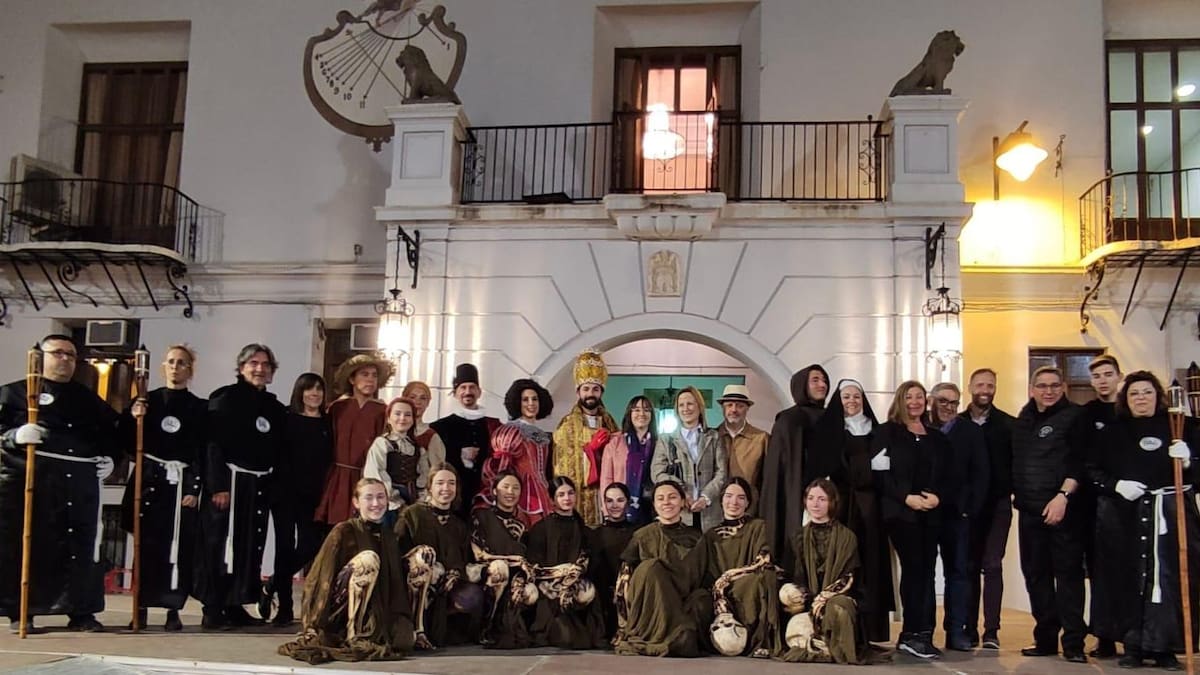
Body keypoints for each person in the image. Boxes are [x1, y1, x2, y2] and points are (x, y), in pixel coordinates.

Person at [0, 334, 120, 633]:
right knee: (30, 543)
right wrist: (14, 436)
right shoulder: (13, 393)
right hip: (34, 482)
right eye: (58, 353)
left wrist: (111, 459)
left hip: (79, 484)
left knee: (81, 546)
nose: (65, 359)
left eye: (70, 355)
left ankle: (81, 611)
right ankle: (22, 609)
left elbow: (112, 433)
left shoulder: (87, 398)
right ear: (40, 357)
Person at [1088, 371, 1200, 670]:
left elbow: (1197, 475)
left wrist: (1189, 460)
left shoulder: (1182, 428)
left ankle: (1165, 647)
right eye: (1134, 393)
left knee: (1167, 579)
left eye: (1147, 392)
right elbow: (1093, 470)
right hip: (1125, 515)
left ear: (1158, 395)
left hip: (1170, 512)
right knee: (1127, 578)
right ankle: (1133, 645)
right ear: (1126, 399)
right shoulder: (1112, 432)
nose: (1141, 398)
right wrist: (1116, 486)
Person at [195, 343, 287, 630]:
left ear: (272, 372)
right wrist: (218, 486)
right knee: (220, 544)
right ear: (242, 367)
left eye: (265, 365)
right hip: (230, 483)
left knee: (250, 545)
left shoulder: (274, 407)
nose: (260, 369)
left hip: (258, 484)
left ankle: (235, 604)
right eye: (253, 363)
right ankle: (213, 608)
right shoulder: (225, 399)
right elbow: (212, 445)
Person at [278, 477, 415, 664]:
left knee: (404, 639)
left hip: (376, 608)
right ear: (356, 502)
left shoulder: (389, 536)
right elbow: (320, 577)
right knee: (368, 559)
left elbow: (395, 583)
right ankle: (354, 634)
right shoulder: (343, 531)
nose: (376, 503)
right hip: (339, 611)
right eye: (369, 498)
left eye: (380, 497)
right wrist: (314, 623)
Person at [121, 344, 207, 631]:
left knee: (178, 548)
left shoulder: (198, 407)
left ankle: (172, 609)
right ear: (162, 366)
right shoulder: (147, 401)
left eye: (182, 362)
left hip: (180, 482)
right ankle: (140, 607)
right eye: (171, 361)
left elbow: (201, 450)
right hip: (149, 481)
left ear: (190, 370)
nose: (175, 367)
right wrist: (133, 416)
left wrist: (194, 488)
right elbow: (126, 440)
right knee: (145, 547)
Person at [1012, 366, 1089, 663]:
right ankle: (1045, 639)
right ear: (1032, 389)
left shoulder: (1075, 417)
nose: (1048, 390)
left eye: (1054, 385)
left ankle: (1073, 644)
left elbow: (1079, 462)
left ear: (1064, 387)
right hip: (1030, 512)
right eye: (1042, 385)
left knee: (1068, 578)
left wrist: (1063, 496)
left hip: (1063, 510)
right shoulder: (1023, 420)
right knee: (1036, 576)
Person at [806, 378, 892, 643]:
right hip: (842, 509)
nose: (852, 401)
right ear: (838, 401)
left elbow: (887, 471)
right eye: (846, 397)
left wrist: (864, 470)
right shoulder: (831, 431)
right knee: (844, 564)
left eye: (857, 396)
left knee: (871, 566)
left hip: (872, 511)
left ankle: (871, 630)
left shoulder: (876, 430)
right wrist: (868, 466)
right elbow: (834, 468)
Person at [874, 380, 949, 659]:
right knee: (914, 570)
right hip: (901, 514)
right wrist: (906, 497)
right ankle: (910, 633)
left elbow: (948, 474)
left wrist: (938, 497)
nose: (915, 402)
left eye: (919, 397)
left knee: (927, 573)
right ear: (900, 401)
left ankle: (924, 633)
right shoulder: (886, 433)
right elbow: (881, 475)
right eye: (909, 397)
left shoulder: (937, 436)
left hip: (931, 514)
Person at [260, 372, 332, 627]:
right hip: (284, 492)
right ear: (299, 392)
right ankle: (285, 608)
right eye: (309, 389)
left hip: (313, 495)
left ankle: (271, 583)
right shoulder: (286, 418)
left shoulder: (327, 423)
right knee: (284, 547)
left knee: (312, 544)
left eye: (319, 389)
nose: (314, 394)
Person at [613, 480, 711, 657]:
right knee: (652, 567)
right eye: (660, 498)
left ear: (682, 502)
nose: (666, 502)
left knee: (687, 639)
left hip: (682, 603)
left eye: (672, 497)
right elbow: (626, 578)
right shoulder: (642, 535)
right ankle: (657, 634)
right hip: (649, 608)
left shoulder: (696, 537)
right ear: (654, 505)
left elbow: (702, 575)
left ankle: (675, 634)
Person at [395, 463, 485, 648]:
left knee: (473, 595)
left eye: (451, 483)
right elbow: (399, 554)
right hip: (417, 586)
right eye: (440, 483)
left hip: (448, 588)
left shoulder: (458, 524)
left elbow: (464, 559)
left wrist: (455, 574)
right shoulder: (412, 515)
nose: (446, 488)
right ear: (430, 487)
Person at [928, 381, 989, 651]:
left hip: (958, 514)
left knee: (959, 573)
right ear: (932, 401)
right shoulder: (921, 428)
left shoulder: (970, 432)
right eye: (943, 401)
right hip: (927, 514)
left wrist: (970, 509)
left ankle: (956, 632)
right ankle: (922, 631)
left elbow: (981, 473)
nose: (948, 407)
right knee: (923, 574)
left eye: (953, 402)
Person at [779, 479, 865, 664]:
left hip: (837, 596)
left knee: (839, 606)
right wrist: (800, 595)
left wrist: (823, 598)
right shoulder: (797, 536)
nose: (815, 504)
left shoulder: (847, 537)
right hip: (807, 600)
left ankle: (834, 646)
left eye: (821, 499)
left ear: (832, 502)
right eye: (810, 498)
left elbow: (849, 577)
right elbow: (791, 574)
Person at [962, 367, 1015, 649]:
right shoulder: (957, 424)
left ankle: (991, 631)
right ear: (970, 387)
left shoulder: (1008, 424)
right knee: (969, 567)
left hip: (998, 505)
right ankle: (969, 628)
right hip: (968, 508)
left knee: (992, 565)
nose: (985, 389)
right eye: (980, 384)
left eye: (990, 385)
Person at [704, 477, 781, 658]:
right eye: (729, 496)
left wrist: (730, 576)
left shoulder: (758, 526)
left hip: (747, 583)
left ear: (747, 503)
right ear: (721, 500)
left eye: (740, 497)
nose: (734, 502)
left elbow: (764, 559)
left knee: (760, 579)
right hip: (720, 591)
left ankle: (760, 642)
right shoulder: (711, 535)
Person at [525, 476, 606, 649]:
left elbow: (592, 562)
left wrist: (576, 574)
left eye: (570, 493)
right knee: (568, 638)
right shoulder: (540, 528)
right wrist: (557, 573)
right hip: (548, 588)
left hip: (574, 587)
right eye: (561, 494)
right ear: (553, 499)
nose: (567, 498)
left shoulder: (584, 530)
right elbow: (533, 564)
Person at [761, 364, 830, 559]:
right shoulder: (789, 419)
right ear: (802, 385)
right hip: (795, 495)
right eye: (815, 380)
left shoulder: (831, 417)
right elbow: (779, 470)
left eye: (824, 380)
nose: (822, 385)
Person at [315, 355, 392, 527]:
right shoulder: (337, 407)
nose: (370, 379)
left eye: (374, 375)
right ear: (352, 379)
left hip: (366, 475)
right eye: (364, 374)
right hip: (337, 477)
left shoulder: (383, 410)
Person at [1082, 354, 1122, 659]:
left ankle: (1138, 637)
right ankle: (1104, 636)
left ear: (1119, 376)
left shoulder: (1130, 410)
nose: (1103, 380)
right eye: (1097, 376)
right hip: (1095, 505)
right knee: (1100, 574)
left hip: (1132, 505)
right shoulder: (1087, 414)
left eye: (1108, 374)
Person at [471, 469, 537, 649]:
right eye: (505, 487)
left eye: (515, 488)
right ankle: (487, 626)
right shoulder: (481, 516)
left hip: (514, 576)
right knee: (500, 568)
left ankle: (508, 628)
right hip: (489, 573)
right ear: (494, 491)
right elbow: (479, 555)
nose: (510, 492)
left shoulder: (522, 525)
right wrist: (511, 559)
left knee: (531, 592)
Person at [475, 378, 554, 526]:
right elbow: (502, 467)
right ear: (517, 403)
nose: (531, 403)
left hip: (542, 491)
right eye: (525, 400)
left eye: (534, 399)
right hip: (521, 492)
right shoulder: (511, 431)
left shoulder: (542, 434)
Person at [553, 350, 619, 526]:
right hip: (579, 493)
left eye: (596, 389)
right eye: (586, 388)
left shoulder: (610, 423)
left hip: (603, 493)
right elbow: (561, 465)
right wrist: (589, 451)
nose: (591, 393)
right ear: (578, 392)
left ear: (601, 392)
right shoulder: (567, 425)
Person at [650, 386, 727, 530]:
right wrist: (680, 493)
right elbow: (657, 473)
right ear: (677, 410)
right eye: (681, 405)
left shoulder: (714, 437)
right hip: (679, 513)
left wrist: (706, 497)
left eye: (690, 403)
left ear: (699, 407)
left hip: (710, 513)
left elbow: (721, 472)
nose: (686, 408)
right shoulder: (666, 440)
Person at [430, 364, 500, 520]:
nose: (468, 392)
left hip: (485, 495)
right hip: (452, 495)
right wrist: (459, 455)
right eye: (463, 387)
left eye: (472, 387)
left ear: (479, 392)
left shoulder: (494, 426)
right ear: (455, 393)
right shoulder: (440, 427)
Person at [589, 482, 638, 637]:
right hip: (602, 601)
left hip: (631, 597)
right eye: (609, 501)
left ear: (628, 502)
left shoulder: (638, 533)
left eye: (620, 500)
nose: (614, 505)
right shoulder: (594, 535)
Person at [600, 396, 656, 524]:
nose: (641, 414)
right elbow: (606, 479)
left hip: (651, 509)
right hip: (620, 509)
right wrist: (606, 510)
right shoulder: (615, 442)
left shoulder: (659, 443)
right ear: (629, 414)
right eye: (636, 410)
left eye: (646, 410)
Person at [363, 397, 422, 520]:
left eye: (407, 415)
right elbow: (376, 475)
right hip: (387, 502)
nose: (402, 418)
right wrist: (397, 502)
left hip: (412, 500)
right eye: (397, 414)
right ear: (389, 418)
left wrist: (420, 500)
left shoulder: (417, 448)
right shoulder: (382, 443)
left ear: (412, 420)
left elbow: (423, 477)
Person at [716, 385, 770, 511]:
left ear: (747, 408)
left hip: (749, 510)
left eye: (740, 406)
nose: (734, 410)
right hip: (715, 512)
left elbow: (768, 480)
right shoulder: (710, 438)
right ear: (722, 408)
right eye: (729, 405)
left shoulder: (761, 438)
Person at [401, 380, 447, 475]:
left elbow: (437, 471)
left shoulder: (430, 436)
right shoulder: (389, 430)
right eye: (412, 397)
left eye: (423, 398)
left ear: (428, 402)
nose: (417, 402)